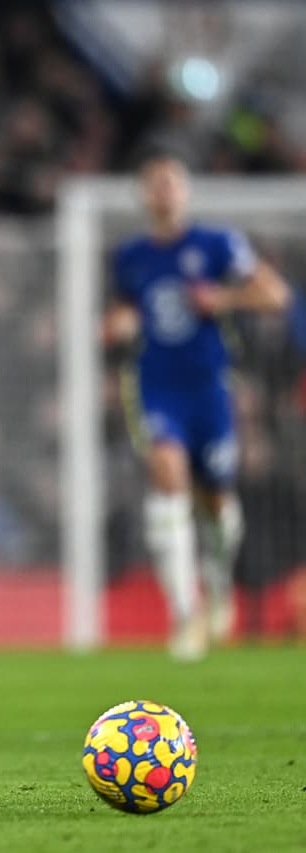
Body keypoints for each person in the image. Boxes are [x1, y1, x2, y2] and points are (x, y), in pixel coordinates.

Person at [103, 151, 290, 661]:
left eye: (172, 182)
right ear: (144, 195)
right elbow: (121, 313)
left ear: (185, 192)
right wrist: (118, 324)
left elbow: (276, 295)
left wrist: (224, 300)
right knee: (167, 477)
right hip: (156, 387)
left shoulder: (217, 245)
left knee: (217, 504)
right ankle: (185, 614)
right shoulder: (131, 257)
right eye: (155, 183)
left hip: (210, 389)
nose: (164, 191)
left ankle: (218, 580)